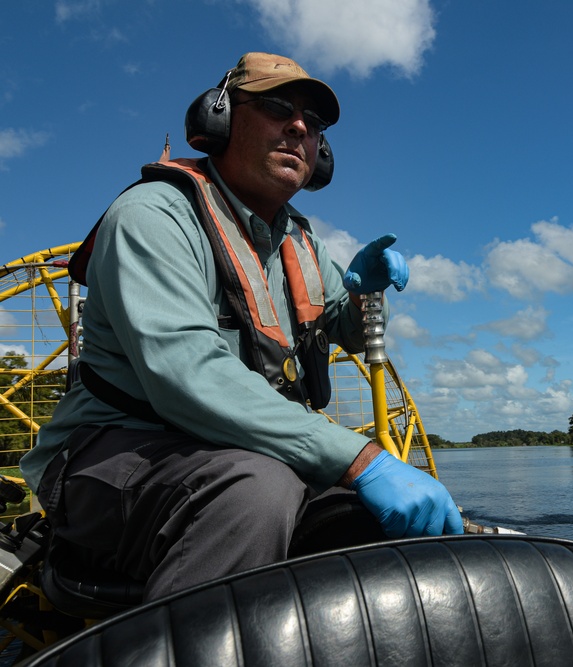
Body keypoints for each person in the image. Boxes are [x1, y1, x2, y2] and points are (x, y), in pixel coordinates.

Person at [19, 52, 463, 601]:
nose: (300, 127)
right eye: (277, 107)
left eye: (315, 124)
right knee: (255, 489)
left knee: (358, 519)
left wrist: (364, 291)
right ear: (220, 118)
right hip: (109, 461)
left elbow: (343, 329)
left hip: (240, 453)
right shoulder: (153, 215)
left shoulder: (301, 242)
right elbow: (187, 375)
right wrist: (362, 459)